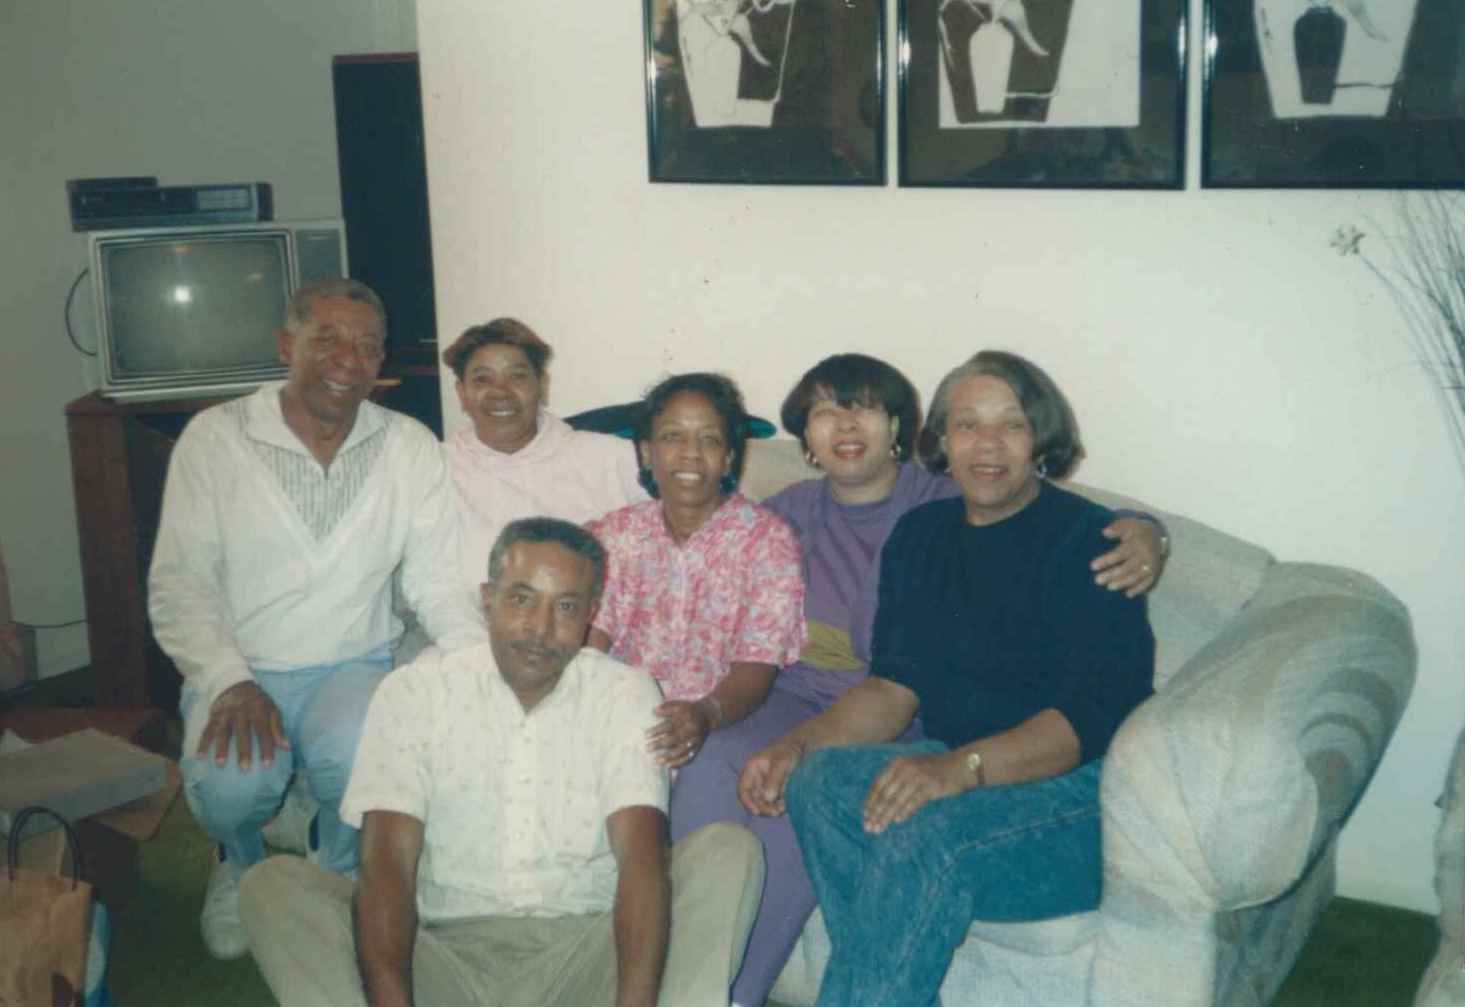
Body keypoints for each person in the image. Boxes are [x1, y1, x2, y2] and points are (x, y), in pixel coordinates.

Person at [669, 352, 1165, 1006]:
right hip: (961, 767)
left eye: (1009, 425)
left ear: (1040, 437)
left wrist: (957, 768)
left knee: (923, 835)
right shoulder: (922, 534)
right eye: (966, 425)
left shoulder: (1091, 541)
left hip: (1073, 795)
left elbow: (1089, 717)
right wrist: (797, 746)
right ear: (941, 440)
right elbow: (892, 687)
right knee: (818, 782)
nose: (985, 444)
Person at [238, 517, 765, 1006]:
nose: (540, 627)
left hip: (585, 955)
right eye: (522, 599)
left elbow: (641, 863)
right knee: (275, 885)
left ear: (590, 616)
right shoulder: (415, 693)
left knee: (728, 852)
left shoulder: (624, 693)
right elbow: (386, 869)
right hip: (441, 957)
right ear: (487, 601)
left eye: (565, 607)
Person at [148, 278, 486, 960]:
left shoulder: (407, 444)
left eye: (366, 346)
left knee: (372, 763)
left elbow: (437, 581)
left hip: (353, 664)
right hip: (244, 668)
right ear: (285, 344)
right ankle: (239, 862)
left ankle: (335, 866)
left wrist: (478, 661)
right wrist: (226, 679)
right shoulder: (215, 438)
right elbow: (179, 585)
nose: (347, 359)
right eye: (326, 338)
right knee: (230, 784)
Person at [587, 372, 806, 774]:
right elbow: (591, 644)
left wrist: (705, 714)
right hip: (617, 719)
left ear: (729, 458)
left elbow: (758, 662)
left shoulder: (766, 540)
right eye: (673, 437)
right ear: (647, 452)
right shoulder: (613, 535)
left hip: (721, 721)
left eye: (709, 439)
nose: (691, 453)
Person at [441, 318, 645, 596]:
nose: (500, 391)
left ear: (542, 385)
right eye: (482, 379)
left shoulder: (608, 457)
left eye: (517, 376)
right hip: (473, 634)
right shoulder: (436, 468)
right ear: (462, 393)